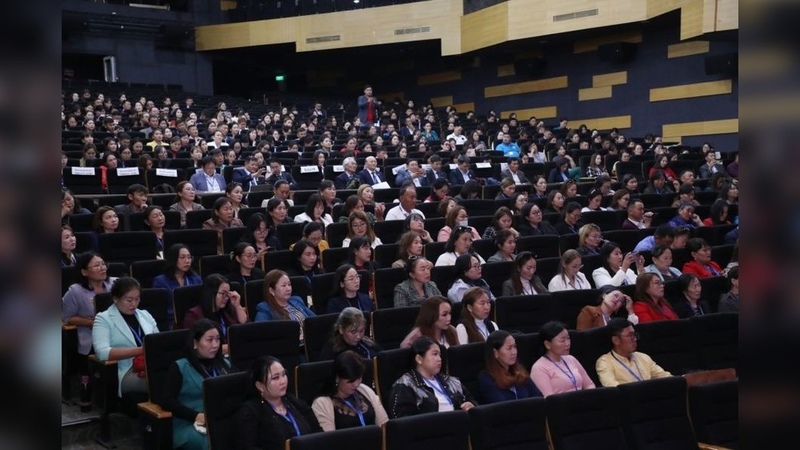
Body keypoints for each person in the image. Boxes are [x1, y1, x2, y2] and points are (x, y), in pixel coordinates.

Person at [162, 319, 235, 449]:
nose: (215, 345)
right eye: (209, 340)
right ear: (195, 343)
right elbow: (167, 401)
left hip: (221, 418)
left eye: (218, 339)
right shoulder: (180, 367)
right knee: (211, 441)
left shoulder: (224, 365)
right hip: (189, 422)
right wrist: (195, 416)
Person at [236, 355, 322, 449]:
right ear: (260, 386)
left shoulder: (294, 401)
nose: (283, 381)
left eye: (284, 374)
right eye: (275, 378)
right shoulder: (250, 413)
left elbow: (318, 434)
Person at [92, 277, 159, 397]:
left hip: (151, 366)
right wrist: (141, 350)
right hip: (125, 370)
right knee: (160, 382)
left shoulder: (145, 315)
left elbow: (159, 342)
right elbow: (102, 352)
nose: (134, 304)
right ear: (116, 299)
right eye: (129, 300)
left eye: (137, 299)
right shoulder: (103, 319)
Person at [388, 336, 476, 418]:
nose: (439, 359)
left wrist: (471, 406)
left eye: (440, 355)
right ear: (419, 359)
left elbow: (474, 403)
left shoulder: (450, 381)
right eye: (435, 354)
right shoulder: (405, 385)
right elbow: (403, 420)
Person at [62, 252, 118, 369]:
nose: (102, 268)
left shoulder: (116, 284)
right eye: (97, 265)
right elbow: (67, 318)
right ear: (84, 272)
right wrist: (91, 323)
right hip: (92, 338)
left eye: (103, 264)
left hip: (118, 334)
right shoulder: (75, 291)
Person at [311, 350, 389, 431]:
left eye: (359, 378)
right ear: (337, 378)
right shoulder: (322, 403)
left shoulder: (364, 390)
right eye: (351, 381)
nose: (356, 384)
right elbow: (329, 437)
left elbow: (384, 425)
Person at [595, 318, 672, 387]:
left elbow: (666, 377)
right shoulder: (605, 362)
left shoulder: (643, 357)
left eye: (634, 335)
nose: (635, 339)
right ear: (616, 340)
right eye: (630, 336)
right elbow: (613, 390)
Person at [530, 321, 595, 396]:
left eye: (568, 339)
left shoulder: (571, 359)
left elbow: (589, 384)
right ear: (547, 344)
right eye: (562, 340)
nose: (567, 343)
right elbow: (549, 398)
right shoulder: (539, 368)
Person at [255, 270, 316, 350]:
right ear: (271, 291)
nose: (288, 289)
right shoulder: (265, 310)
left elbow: (315, 321)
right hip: (290, 349)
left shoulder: (296, 301)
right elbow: (262, 335)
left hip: (310, 344)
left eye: (289, 284)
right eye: (283, 286)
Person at [183, 274, 248, 347]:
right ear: (211, 293)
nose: (226, 298)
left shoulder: (228, 311)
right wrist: (225, 348)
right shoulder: (194, 315)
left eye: (227, 294)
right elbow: (194, 344)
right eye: (223, 293)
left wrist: (238, 306)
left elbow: (247, 329)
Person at [478, 330, 542, 403]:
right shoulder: (486, 378)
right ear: (495, 353)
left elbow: (538, 397)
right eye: (509, 348)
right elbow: (502, 405)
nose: (514, 352)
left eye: (515, 347)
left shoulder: (519, 372)